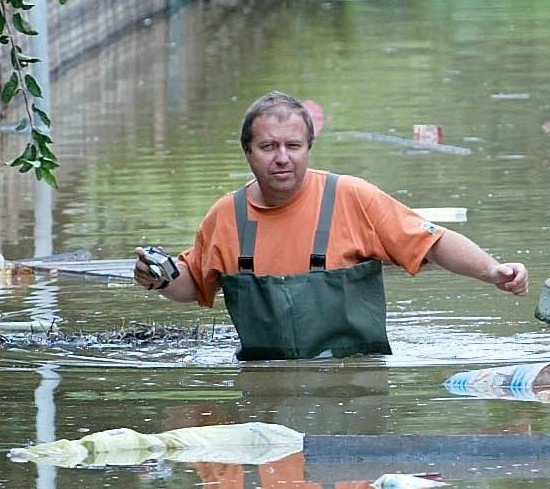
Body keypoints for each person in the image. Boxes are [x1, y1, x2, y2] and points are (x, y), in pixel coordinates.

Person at [135, 91, 529, 360]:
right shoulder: (226, 215)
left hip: (355, 383)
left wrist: (492, 271)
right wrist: (161, 278)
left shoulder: (352, 197)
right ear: (247, 151)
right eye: (268, 147)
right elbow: (194, 285)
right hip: (261, 384)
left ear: (309, 147)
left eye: (294, 146)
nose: (282, 158)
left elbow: (435, 243)